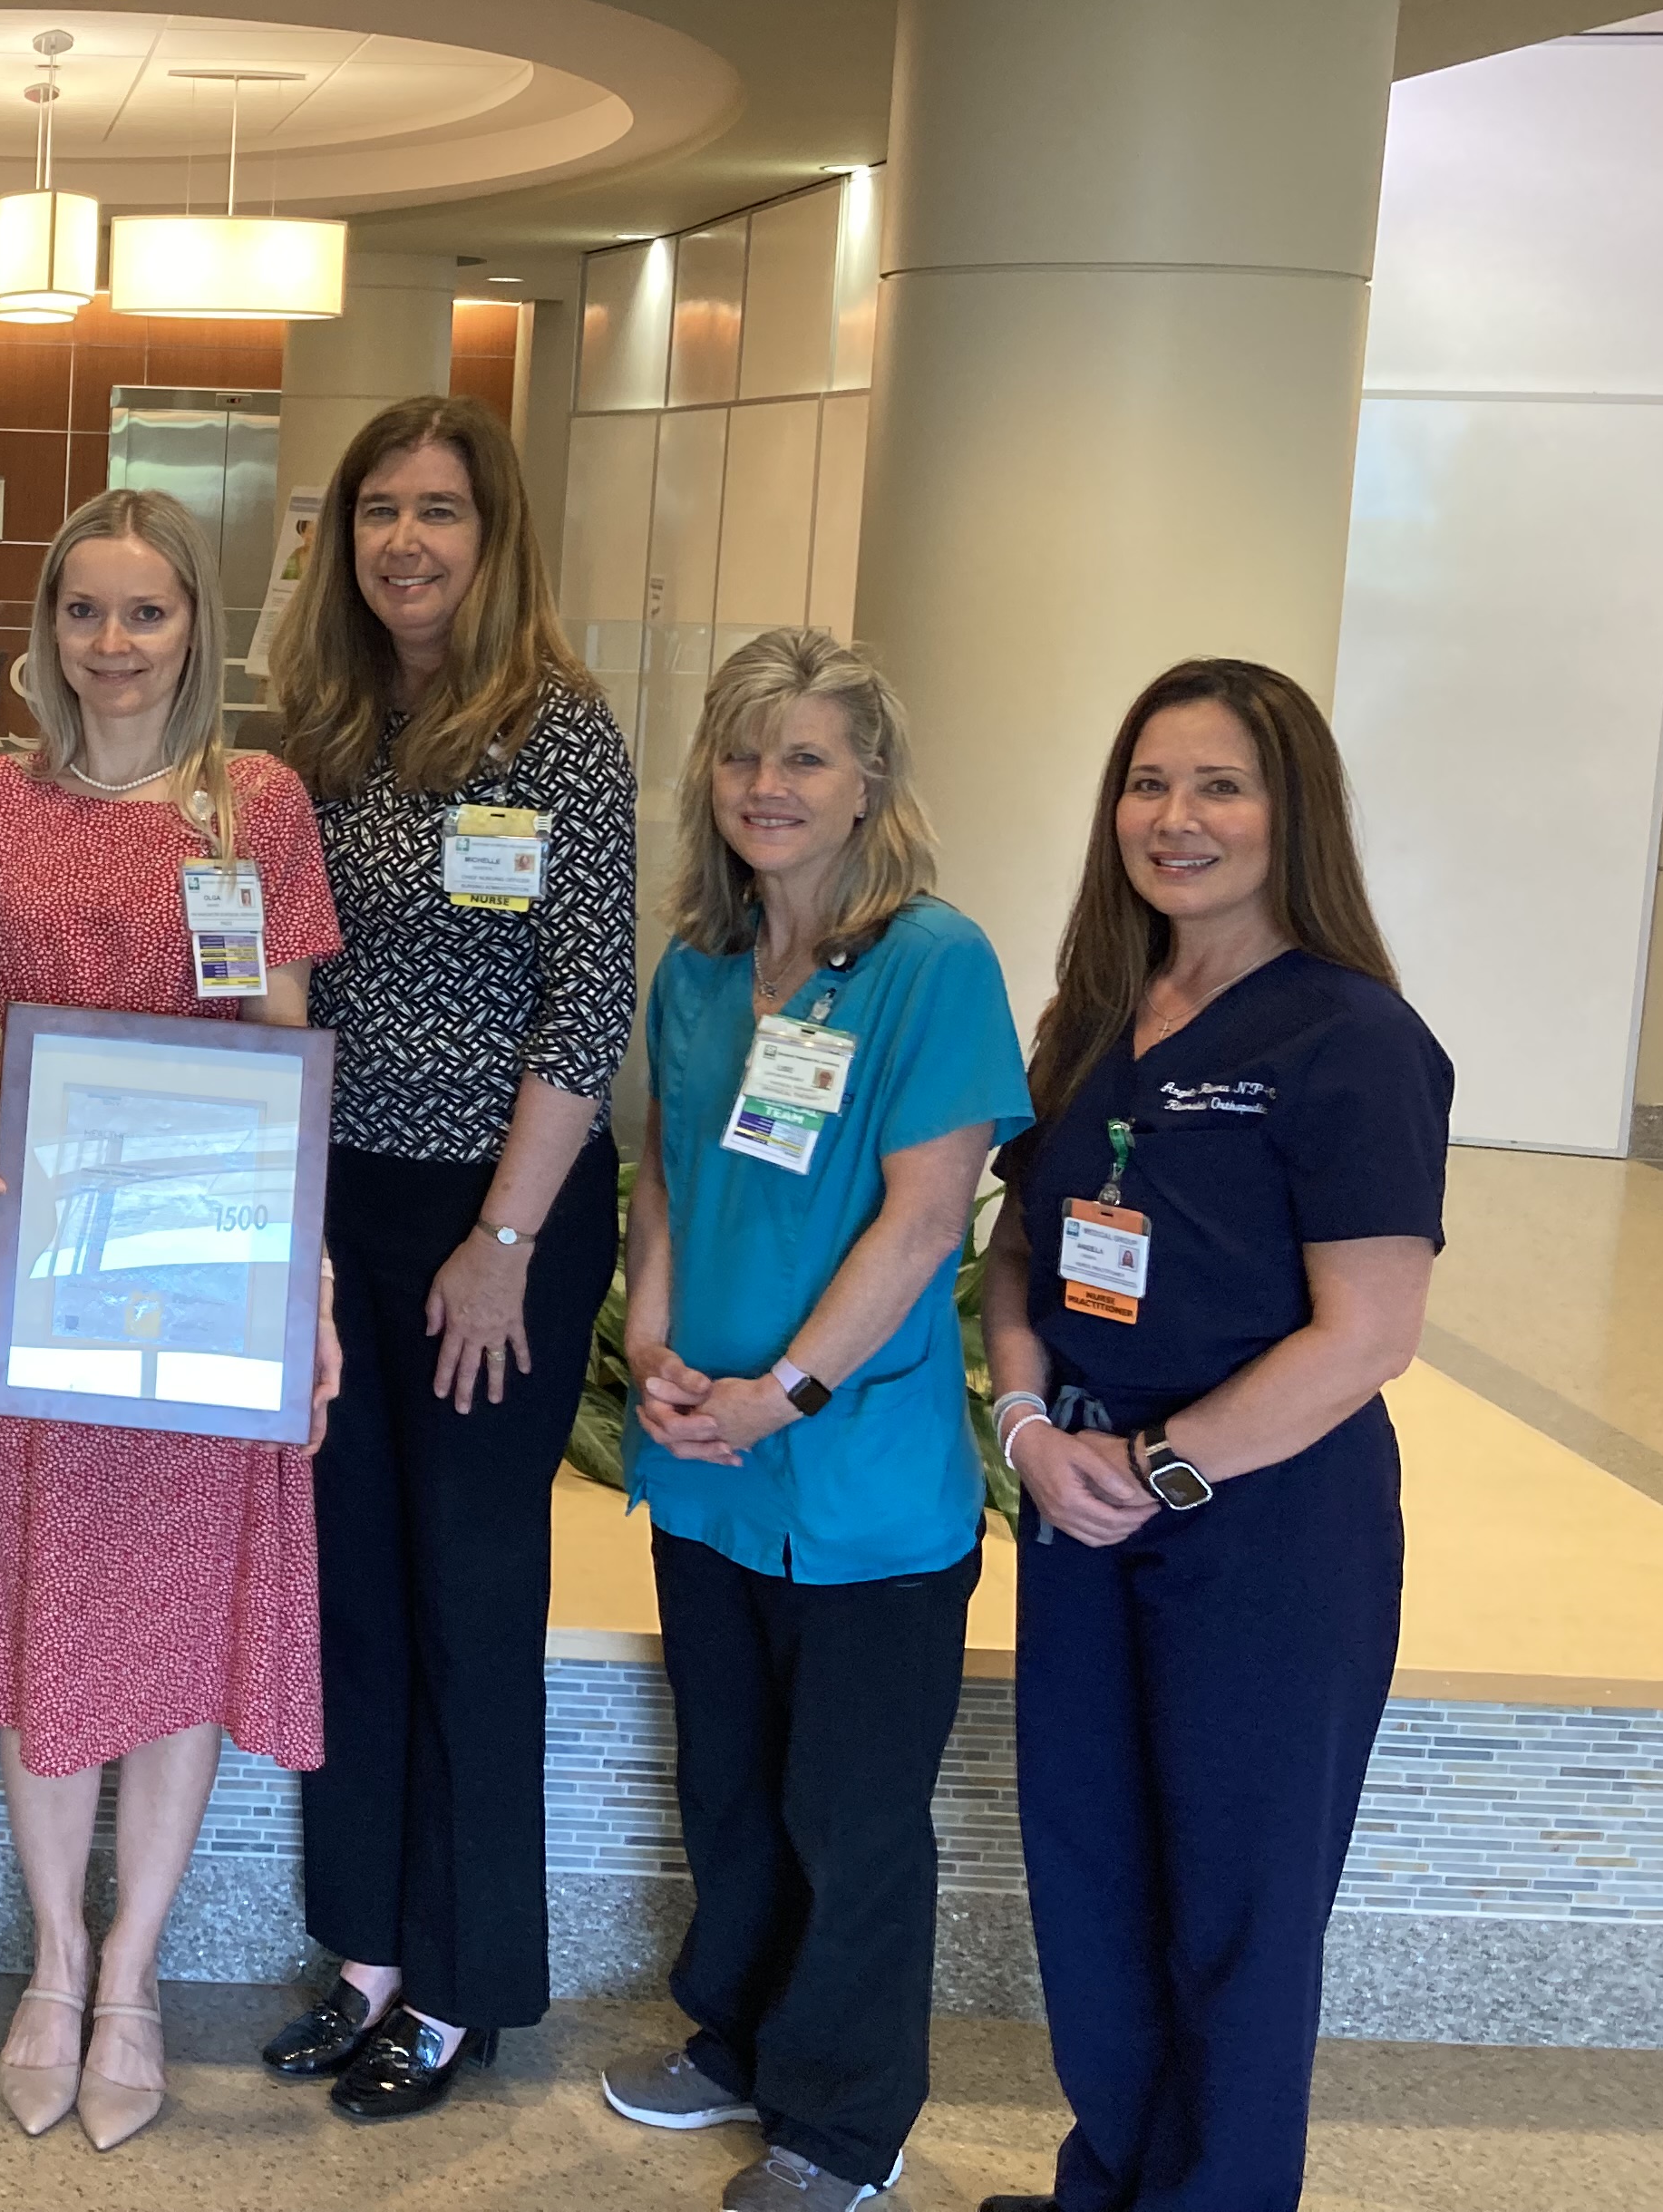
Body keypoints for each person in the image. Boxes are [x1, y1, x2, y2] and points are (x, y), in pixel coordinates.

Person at [0, 488, 345, 2153]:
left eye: (145, 610)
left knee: (175, 1633)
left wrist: (308, 1280)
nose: (112, 640)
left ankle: (135, 1973)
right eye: (85, 608)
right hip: (43, 1268)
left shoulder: (258, 804)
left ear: (191, 627)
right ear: (48, 624)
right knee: (44, 1615)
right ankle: (51, 1960)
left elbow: (287, 1041)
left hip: (203, 1275)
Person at [976, 660, 1450, 2212]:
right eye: (1147, 782)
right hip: (1078, 1499)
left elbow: (1368, 1329)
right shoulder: (1097, 1012)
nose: (1173, 818)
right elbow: (1017, 1254)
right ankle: (1104, 2178)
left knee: (1235, 1907)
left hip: (1260, 1524)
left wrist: (1163, 1464)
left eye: (1219, 785)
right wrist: (1034, 1423)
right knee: (1095, 1880)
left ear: (1287, 810)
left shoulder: (1353, 1038)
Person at [606, 629, 1029, 2212]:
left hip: (852, 1477)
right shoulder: (699, 970)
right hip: (704, 1463)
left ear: (868, 783)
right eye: (739, 753)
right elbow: (667, 1178)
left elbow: (925, 1218)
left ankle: (844, 2124)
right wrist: (648, 1341)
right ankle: (736, 2036)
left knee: (848, 1812)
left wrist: (778, 1390)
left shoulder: (933, 961)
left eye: (802, 756)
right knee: (726, 1779)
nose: (765, 786)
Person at [259, 394, 636, 2119]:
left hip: (501, 1214)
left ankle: (466, 1975)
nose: (405, 539)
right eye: (378, 510)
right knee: (346, 1582)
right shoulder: (322, 729)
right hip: (337, 1205)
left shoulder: (556, 733)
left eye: (440, 509)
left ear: (495, 537)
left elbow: (590, 994)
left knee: (471, 1589)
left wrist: (502, 1238)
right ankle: (364, 1950)